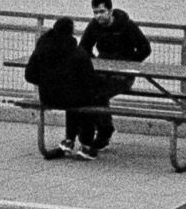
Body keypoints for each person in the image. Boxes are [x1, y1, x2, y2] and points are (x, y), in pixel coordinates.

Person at [25, 17, 126, 158]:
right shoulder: (78, 53)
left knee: (73, 96)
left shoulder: (41, 49)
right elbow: (89, 81)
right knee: (89, 99)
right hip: (71, 98)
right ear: (71, 32)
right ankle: (86, 145)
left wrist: (46, 83)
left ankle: (69, 141)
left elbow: (29, 75)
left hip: (48, 97)